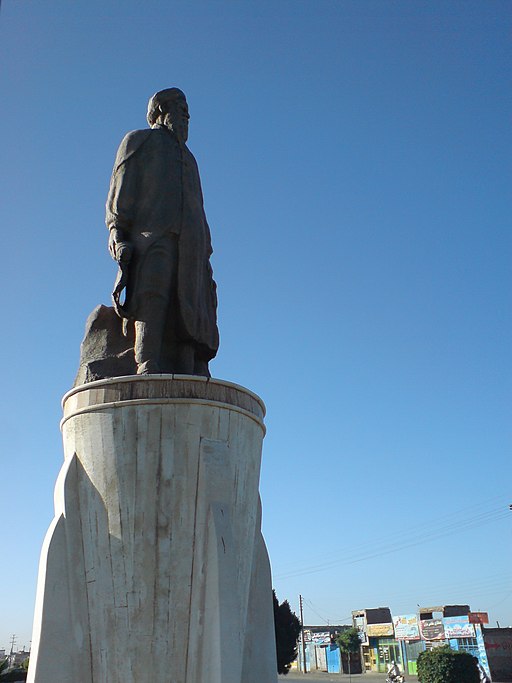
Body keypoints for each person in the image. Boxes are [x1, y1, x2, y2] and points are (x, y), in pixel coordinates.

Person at [106, 88, 219, 375]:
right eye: (180, 108)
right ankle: (147, 362)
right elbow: (121, 194)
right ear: (161, 111)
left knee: (190, 307)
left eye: (187, 112)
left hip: (192, 245)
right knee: (152, 296)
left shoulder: (190, 159)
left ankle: (187, 368)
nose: (186, 116)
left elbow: (199, 206)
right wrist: (117, 234)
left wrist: (206, 249)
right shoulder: (139, 141)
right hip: (153, 237)